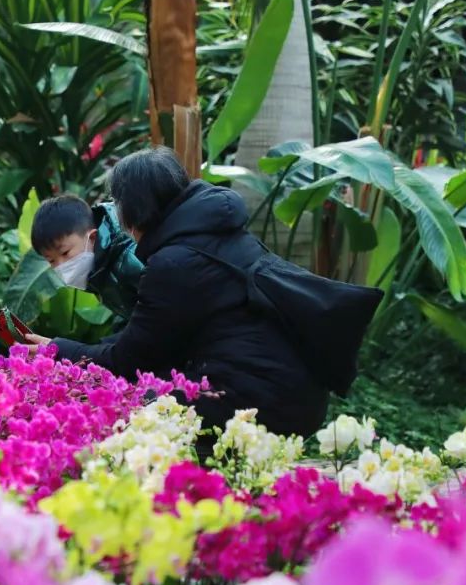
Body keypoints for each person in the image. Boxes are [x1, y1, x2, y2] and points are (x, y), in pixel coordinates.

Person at [24, 146, 330, 445]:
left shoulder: (174, 263)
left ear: (135, 205)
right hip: (291, 392)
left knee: (118, 407)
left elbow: (131, 359)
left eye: (118, 202)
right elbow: (147, 337)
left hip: (258, 400)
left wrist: (60, 350)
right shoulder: (209, 236)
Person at [31, 194, 146, 322]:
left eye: (65, 253)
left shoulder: (131, 257)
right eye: (51, 261)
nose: (60, 266)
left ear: (92, 237)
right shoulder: (96, 272)